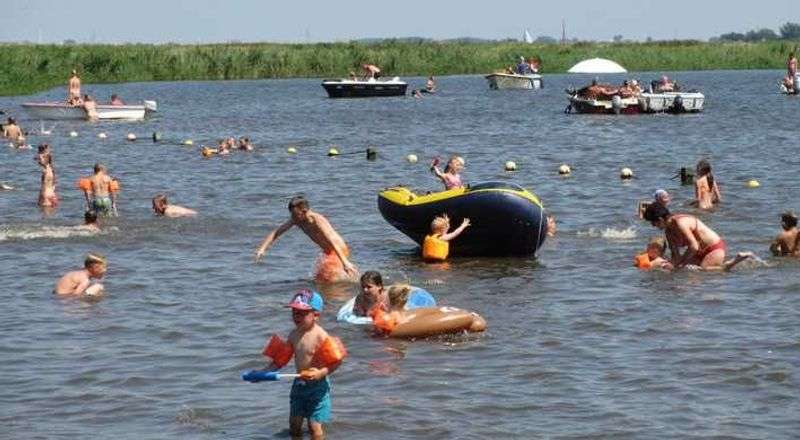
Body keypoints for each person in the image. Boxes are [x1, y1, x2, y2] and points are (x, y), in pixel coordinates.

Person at [261, 290, 345, 440]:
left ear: (316, 315)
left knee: (314, 428)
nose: (296, 316)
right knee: (294, 425)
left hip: (318, 386)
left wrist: (321, 373)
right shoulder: (293, 334)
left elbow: (336, 361)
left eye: (302, 313)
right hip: (299, 385)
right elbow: (281, 360)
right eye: (294, 312)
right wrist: (263, 373)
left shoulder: (321, 335)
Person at [254, 196, 358, 282]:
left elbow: (331, 240)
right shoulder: (296, 220)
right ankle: (347, 284)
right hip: (328, 251)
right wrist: (262, 249)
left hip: (337, 249)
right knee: (320, 278)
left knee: (325, 278)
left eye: (295, 215)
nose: (293, 217)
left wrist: (345, 262)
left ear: (304, 211)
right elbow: (276, 232)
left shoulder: (316, 220)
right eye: (291, 214)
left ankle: (336, 297)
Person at [643, 204, 751, 271]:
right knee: (686, 270)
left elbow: (693, 246)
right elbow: (675, 255)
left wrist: (681, 264)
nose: (653, 226)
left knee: (704, 270)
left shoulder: (680, 222)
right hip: (698, 252)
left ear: (661, 219)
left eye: (653, 222)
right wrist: (668, 265)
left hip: (713, 248)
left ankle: (735, 260)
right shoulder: (668, 232)